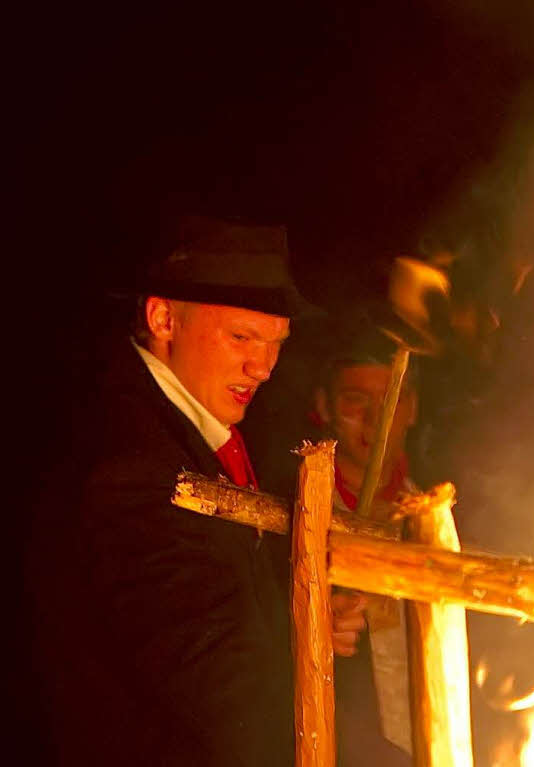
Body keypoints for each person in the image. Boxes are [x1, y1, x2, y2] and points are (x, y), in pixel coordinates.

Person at [31, 216, 364, 766]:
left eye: (277, 342)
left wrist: (304, 620)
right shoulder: (131, 460)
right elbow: (215, 679)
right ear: (163, 318)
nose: (262, 367)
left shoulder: (190, 430)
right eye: (242, 337)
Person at [312, 319, 420, 767]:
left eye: (390, 402)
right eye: (357, 401)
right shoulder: (294, 517)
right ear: (324, 406)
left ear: (412, 409)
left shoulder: (440, 518)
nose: (376, 421)